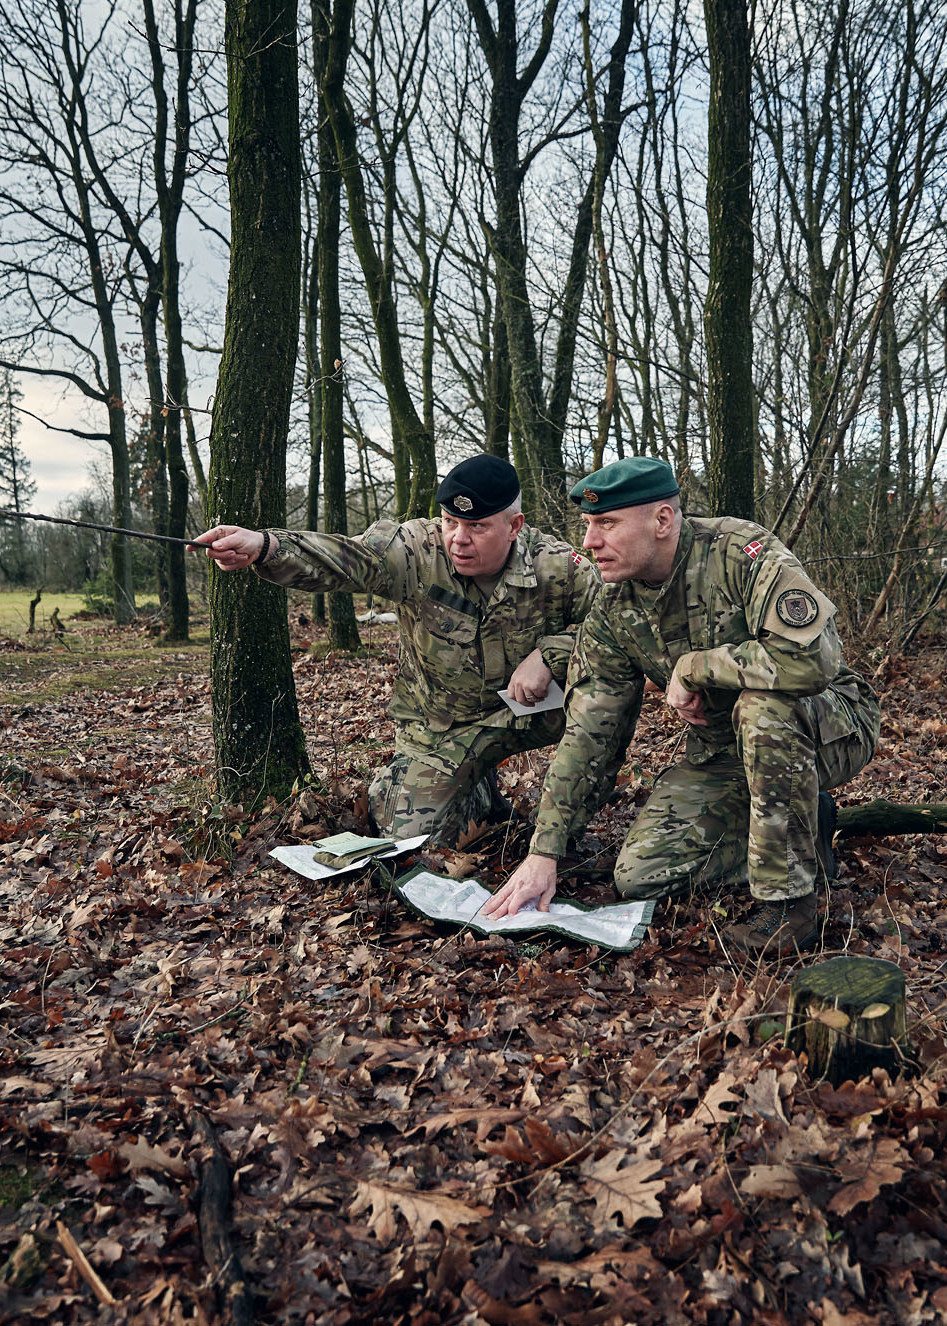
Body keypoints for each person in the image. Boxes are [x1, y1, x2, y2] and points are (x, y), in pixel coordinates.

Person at [484, 456, 881, 957]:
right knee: (640, 875)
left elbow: (811, 660)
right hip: (724, 750)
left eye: (607, 523)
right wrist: (546, 850)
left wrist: (696, 666)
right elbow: (591, 733)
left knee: (763, 710)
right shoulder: (613, 610)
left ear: (663, 521)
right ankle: (806, 826)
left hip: (826, 723)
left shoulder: (740, 552)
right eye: (587, 525)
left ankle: (791, 905)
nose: (589, 541)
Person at [195, 455, 628, 846]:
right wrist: (266, 547)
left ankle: (563, 834)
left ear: (514, 527)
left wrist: (551, 655)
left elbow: (615, 623)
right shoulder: (416, 551)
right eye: (449, 522)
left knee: (607, 695)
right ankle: (467, 787)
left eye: (477, 527)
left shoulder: (556, 565)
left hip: (529, 713)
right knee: (412, 840)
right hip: (440, 730)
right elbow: (349, 558)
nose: (458, 538)